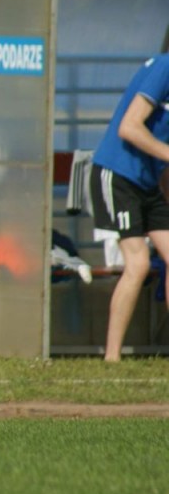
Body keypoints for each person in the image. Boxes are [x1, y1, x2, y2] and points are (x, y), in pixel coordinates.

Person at [89, 53, 169, 362]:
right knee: (138, 264)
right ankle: (112, 357)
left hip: (149, 182)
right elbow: (129, 127)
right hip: (118, 173)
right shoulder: (164, 67)